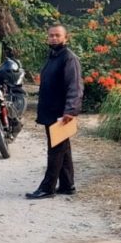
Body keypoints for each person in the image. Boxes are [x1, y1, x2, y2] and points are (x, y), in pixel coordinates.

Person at [26, 24, 83, 200]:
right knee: (62, 148)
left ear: (66, 38)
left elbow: (75, 86)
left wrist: (71, 110)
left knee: (55, 149)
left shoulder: (69, 58)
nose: (54, 38)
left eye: (58, 35)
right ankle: (67, 185)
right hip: (50, 109)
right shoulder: (53, 56)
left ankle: (47, 187)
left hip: (62, 112)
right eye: (51, 35)